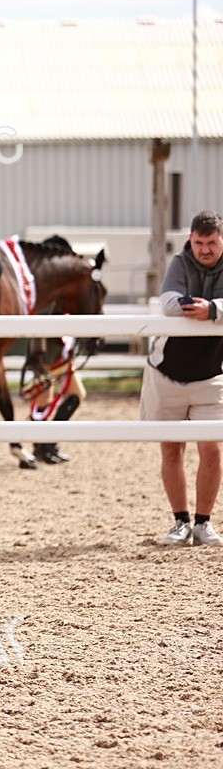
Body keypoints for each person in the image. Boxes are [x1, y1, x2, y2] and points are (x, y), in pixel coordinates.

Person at [141, 210, 223, 546]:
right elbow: (168, 303)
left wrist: (213, 310)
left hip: (212, 374)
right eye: (199, 241)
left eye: (212, 242)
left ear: (221, 240)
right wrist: (203, 309)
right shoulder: (179, 261)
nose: (204, 249)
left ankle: (204, 523)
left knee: (213, 449)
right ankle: (180, 521)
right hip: (167, 374)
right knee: (171, 450)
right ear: (191, 239)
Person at [22, 332, 85, 464]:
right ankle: (41, 447)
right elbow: (40, 315)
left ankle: (49, 443)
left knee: (77, 394)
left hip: (62, 351)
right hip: (47, 351)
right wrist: (37, 351)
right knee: (44, 400)